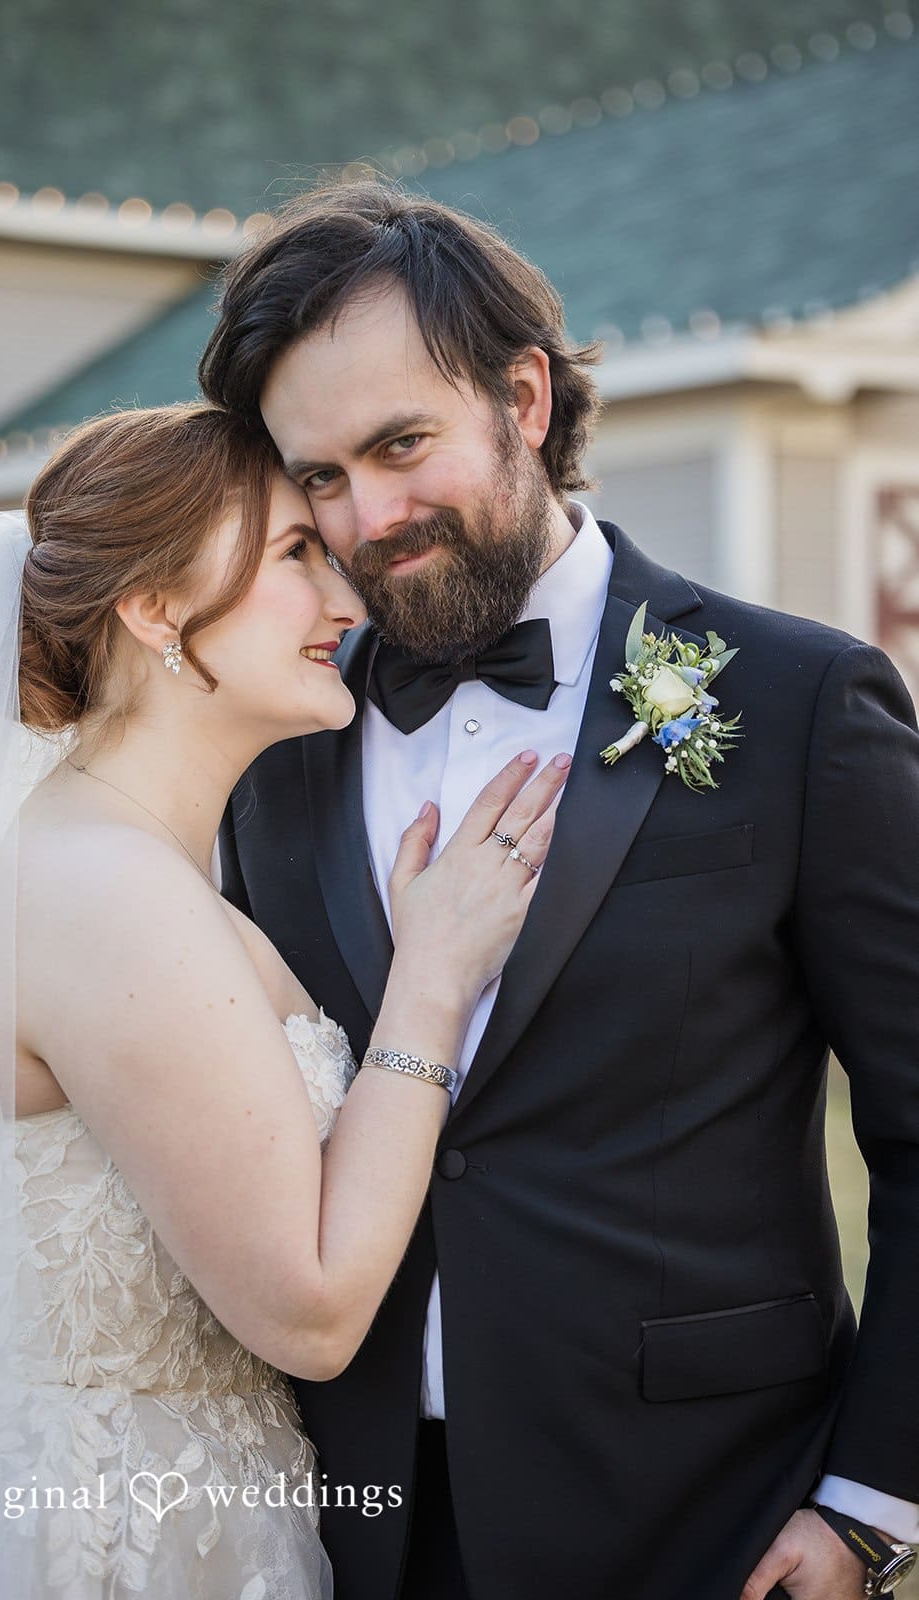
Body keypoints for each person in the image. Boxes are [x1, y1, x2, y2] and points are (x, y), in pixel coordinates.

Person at [198, 181, 919, 1600]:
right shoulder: (268, 748)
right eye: (322, 479)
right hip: (342, 1525)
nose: (369, 517)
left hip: (705, 1519)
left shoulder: (794, 702)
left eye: (401, 445)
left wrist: (866, 1499)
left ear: (521, 398)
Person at [0, 401, 572, 1599]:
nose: (347, 606)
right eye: (296, 554)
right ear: (153, 609)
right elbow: (312, 1309)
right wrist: (432, 982)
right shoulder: (101, 895)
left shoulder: (130, 865)